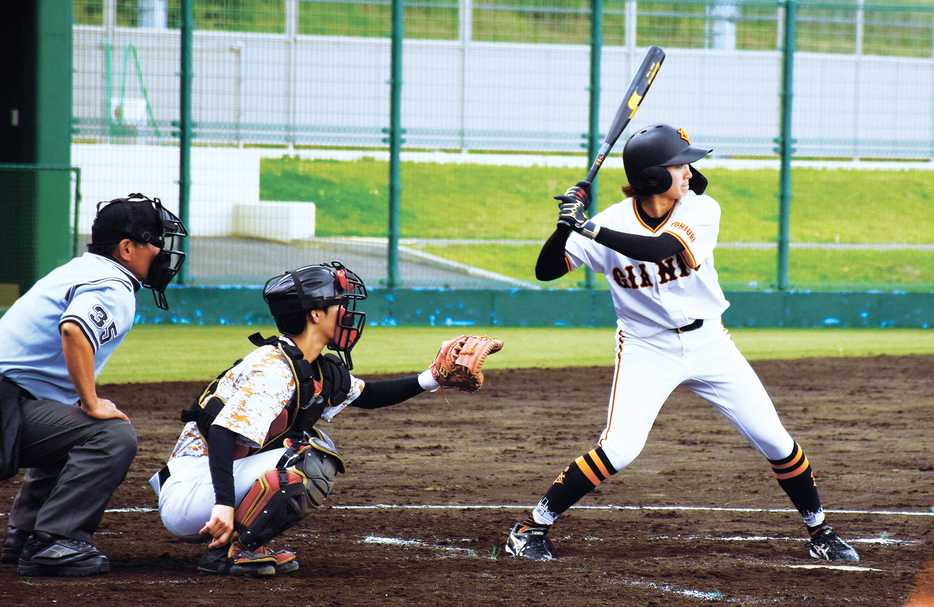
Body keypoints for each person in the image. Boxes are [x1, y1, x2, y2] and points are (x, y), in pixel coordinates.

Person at [504, 124, 859, 563]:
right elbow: (546, 270)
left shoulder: (701, 208)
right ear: (653, 177)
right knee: (619, 448)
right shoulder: (609, 221)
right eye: (680, 164)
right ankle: (530, 528)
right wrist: (566, 225)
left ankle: (820, 530)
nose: (690, 171)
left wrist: (588, 229)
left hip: (710, 342)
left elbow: (662, 250)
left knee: (775, 440)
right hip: (645, 348)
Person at [149, 261, 501, 577]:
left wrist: (432, 378)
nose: (347, 312)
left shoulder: (312, 366)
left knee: (310, 448)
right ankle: (233, 553)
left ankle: (242, 546)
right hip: (192, 490)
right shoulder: (274, 368)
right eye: (340, 304)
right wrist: (224, 505)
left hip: (209, 482)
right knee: (310, 458)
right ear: (315, 314)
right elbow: (225, 433)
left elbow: (369, 395)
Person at [0, 193, 188, 577]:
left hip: (10, 401)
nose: (161, 253)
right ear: (126, 248)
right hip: (5, 404)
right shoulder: (113, 283)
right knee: (110, 435)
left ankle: (27, 532)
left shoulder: (80, 270)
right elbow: (74, 330)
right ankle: (55, 541)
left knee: (73, 422)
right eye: (155, 242)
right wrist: (91, 400)